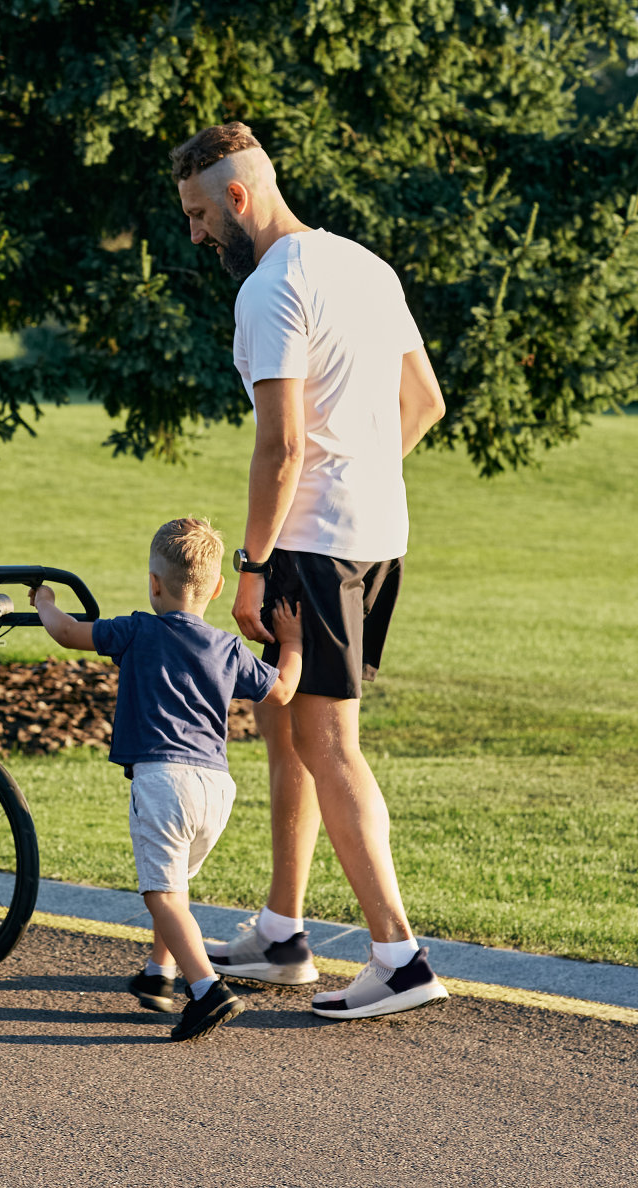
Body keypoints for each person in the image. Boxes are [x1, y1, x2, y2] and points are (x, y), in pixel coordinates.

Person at [170, 122, 450, 1020]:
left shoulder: (271, 288)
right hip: (377, 536)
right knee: (288, 726)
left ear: (238, 197)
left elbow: (282, 445)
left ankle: (400, 958)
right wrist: (365, 473)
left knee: (329, 744)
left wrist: (253, 566)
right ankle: (283, 933)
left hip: (313, 545)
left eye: (200, 213)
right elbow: (426, 403)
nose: (197, 234)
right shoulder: (366, 267)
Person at [30, 517, 302, 1041]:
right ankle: (161, 973)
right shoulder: (226, 648)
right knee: (176, 886)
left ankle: (207, 990)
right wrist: (290, 640)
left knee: (161, 893)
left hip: (162, 781)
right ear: (219, 588)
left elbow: (66, 631)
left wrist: (44, 600)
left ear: (154, 583)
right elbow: (284, 691)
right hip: (216, 788)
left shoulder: (137, 628)